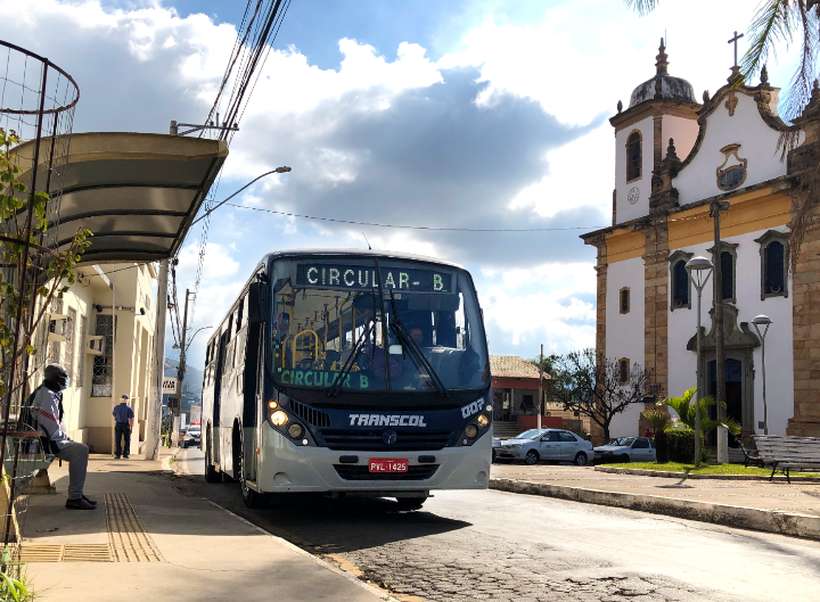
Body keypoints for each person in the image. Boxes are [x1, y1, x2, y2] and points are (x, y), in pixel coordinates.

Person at [30, 364, 96, 510]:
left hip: (47, 438)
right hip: (46, 442)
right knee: (81, 450)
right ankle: (75, 497)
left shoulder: (50, 393)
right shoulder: (47, 395)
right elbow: (51, 426)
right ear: (54, 379)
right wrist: (66, 441)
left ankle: (77, 494)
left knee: (80, 449)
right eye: (62, 377)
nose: (64, 381)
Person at [112, 394, 134, 459]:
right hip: (126, 425)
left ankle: (118, 454)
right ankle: (125, 454)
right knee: (127, 440)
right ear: (127, 400)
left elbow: (114, 414)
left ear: (120, 400)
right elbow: (131, 419)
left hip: (118, 424)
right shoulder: (129, 409)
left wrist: (117, 418)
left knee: (118, 439)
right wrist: (131, 427)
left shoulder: (116, 407)